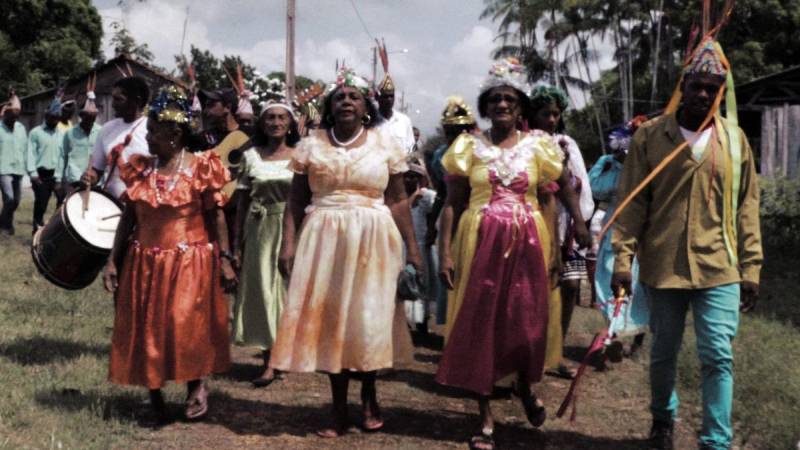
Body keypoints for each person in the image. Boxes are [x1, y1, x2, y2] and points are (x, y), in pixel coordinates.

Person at [611, 37, 762, 450]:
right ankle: (663, 419)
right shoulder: (650, 137)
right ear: (683, 84)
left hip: (720, 266)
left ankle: (716, 440)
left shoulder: (734, 141)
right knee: (663, 353)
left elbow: (747, 205)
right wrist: (622, 260)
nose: (702, 94)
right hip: (663, 264)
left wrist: (752, 268)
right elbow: (631, 204)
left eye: (712, 88)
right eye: (696, 85)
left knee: (718, 355)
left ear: (720, 91)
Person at [270, 68, 422, 437]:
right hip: (324, 237)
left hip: (374, 238)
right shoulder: (311, 145)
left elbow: (399, 199)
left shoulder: (385, 144)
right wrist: (288, 243)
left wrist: (414, 250)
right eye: (340, 97)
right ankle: (337, 407)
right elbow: (296, 199)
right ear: (330, 106)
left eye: (354, 96)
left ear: (366, 106)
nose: (347, 102)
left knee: (368, 318)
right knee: (331, 320)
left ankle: (369, 393)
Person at [435, 58, 566, 450]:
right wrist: (444, 253)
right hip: (479, 241)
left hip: (529, 241)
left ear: (521, 105)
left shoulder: (540, 146)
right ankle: (486, 419)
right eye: (494, 99)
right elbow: (450, 204)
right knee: (482, 326)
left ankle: (525, 385)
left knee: (525, 324)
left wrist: (556, 250)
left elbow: (547, 200)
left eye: (509, 98)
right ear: (485, 106)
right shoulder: (467, 147)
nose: (502, 105)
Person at [102, 86, 235, 426]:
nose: (147, 140)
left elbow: (216, 214)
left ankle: (195, 386)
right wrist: (112, 261)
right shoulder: (140, 169)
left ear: (175, 135)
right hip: (144, 258)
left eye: (153, 134)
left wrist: (224, 258)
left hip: (189, 259)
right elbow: (128, 219)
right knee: (147, 326)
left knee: (184, 322)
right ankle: (154, 394)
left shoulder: (200, 168)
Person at [232, 100, 299, 387]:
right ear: (262, 123)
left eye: (281, 118)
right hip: (259, 228)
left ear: (290, 123)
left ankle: (285, 353)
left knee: (285, 292)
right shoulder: (251, 157)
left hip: (291, 226)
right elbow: (241, 203)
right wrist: (236, 243)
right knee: (263, 290)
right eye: (270, 118)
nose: (275, 123)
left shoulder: (300, 156)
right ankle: (270, 359)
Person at [528, 85, 593, 379]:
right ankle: (530, 351)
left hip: (565, 223)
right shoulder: (524, 142)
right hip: (534, 221)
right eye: (545, 113)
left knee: (568, 286)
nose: (552, 119)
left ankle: (557, 350)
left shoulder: (566, 144)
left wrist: (580, 222)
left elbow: (578, 183)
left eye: (556, 114)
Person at [589, 120, 649, 361]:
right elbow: (596, 189)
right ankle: (612, 334)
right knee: (607, 277)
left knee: (641, 283)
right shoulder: (611, 165)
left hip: (643, 228)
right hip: (614, 227)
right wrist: (606, 164)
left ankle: (637, 340)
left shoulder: (650, 164)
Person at [425, 95, 478, 325]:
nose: (456, 136)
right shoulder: (440, 156)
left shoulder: (481, 150)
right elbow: (442, 194)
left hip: (477, 216)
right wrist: (431, 225)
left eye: (461, 130)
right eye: (451, 131)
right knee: (451, 266)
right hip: (451, 214)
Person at [80, 76, 150, 199]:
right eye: (113, 99)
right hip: (112, 204)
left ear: (137, 101)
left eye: (119, 99)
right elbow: (97, 169)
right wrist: (90, 177)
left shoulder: (151, 130)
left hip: (144, 207)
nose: (113, 104)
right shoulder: (106, 129)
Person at [401, 160, 437, 333]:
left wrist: (431, 235)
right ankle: (404, 324)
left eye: (413, 176)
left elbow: (434, 218)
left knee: (421, 283)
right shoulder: (397, 199)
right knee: (403, 283)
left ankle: (422, 324)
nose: (409, 180)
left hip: (421, 247)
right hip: (400, 247)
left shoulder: (426, 197)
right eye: (406, 176)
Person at [55, 91, 101, 203]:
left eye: (93, 118)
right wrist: (58, 179)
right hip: (74, 179)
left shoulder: (101, 132)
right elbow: (63, 156)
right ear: (81, 116)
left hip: (94, 180)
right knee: (69, 208)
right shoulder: (70, 133)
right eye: (88, 117)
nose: (90, 121)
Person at [27, 99, 65, 234]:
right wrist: (33, 173)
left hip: (57, 174)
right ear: (46, 116)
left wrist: (59, 178)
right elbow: (30, 153)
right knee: (41, 204)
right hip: (41, 174)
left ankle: (55, 229)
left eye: (57, 118)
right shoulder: (35, 133)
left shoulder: (61, 134)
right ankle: (36, 230)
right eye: (52, 117)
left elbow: (62, 156)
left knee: (62, 203)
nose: (55, 120)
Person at [0, 91, 26, 235]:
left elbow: (24, 148)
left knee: (16, 201)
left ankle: (4, 221)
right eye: (12, 117)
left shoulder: (21, 129)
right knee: (9, 199)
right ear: (6, 114)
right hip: (3, 169)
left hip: (18, 168)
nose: (14, 120)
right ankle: (5, 227)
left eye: (17, 117)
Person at [376, 72, 415, 154]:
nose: (389, 100)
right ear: (377, 98)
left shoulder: (404, 120)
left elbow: (410, 148)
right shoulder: (370, 120)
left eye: (391, 96)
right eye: (385, 96)